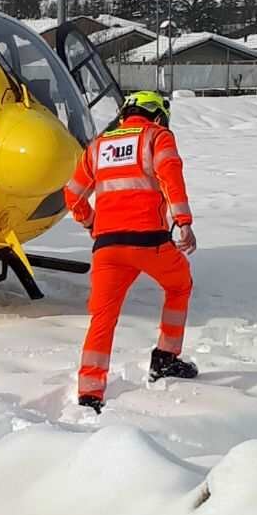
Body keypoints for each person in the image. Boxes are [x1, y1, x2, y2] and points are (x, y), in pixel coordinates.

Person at [64, 90, 198, 414]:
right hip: (149, 243)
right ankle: (165, 357)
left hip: (107, 249)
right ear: (157, 115)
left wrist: (92, 224)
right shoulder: (157, 137)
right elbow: (171, 177)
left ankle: (90, 392)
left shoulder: (98, 146)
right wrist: (183, 221)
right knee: (179, 285)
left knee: (103, 317)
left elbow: (72, 195)